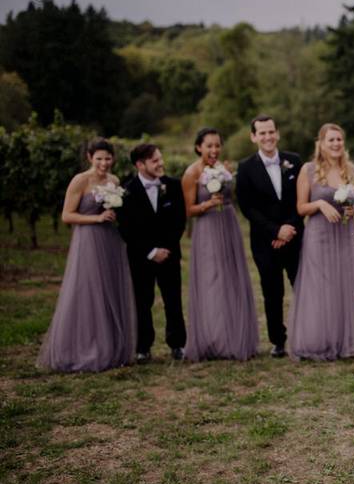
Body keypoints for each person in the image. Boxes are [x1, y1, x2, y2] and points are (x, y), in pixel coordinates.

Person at [37, 138, 135, 372]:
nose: (104, 163)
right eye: (99, 158)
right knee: (89, 290)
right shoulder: (80, 180)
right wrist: (97, 218)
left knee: (109, 290)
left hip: (110, 240)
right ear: (89, 158)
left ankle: (110, 349)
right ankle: (83, 349)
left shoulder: (114, 180)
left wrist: (112, 214)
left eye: (108, 158)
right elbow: (67, 216)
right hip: (88, 240)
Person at [287, 123, 354, 360]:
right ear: (321, 144)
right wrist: (320, 204)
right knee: (320, 287)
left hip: (345, 234)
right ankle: (318, 341)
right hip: (319, 235)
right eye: (331, 140)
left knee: (344, 284)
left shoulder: (352, 170)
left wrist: (353, 209)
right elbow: (300, 207)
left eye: (339, 140)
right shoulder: (309, 170)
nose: (336, 144)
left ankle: (343, 341)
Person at [182, 128, 259, 361]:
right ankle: (212, 339)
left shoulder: (225, 169)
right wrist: (207, 205)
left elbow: (231, 198)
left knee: (230, 279)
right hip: (206, 229)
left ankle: (232, 336)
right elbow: (189, 210)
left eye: (217, 145)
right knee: (211, 281)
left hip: (228, 224)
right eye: (209, 146)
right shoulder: (191, 173)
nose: (214, 150)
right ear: (199, 147)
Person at [236, 115, 303, 358]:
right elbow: (247, 207)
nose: (267, 137)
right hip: (265, 242)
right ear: (253, 137)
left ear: (277, 133)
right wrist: (275, 231)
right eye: (262, 133)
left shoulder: (294, 161)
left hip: (295, 237)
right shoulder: (245, 168)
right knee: (272, 292)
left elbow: (302, 198)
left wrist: (289, 228)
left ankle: (305, 335)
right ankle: (278, 341)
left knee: (302, 287)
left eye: (271, 132)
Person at [117, 143, 187, 364]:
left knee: (173, 300)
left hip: (169, 253)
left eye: (160, 158)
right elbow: (126, 228)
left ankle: (177, 345)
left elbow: (179, 221)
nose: (161, 163)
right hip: (141, 257)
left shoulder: (173, 186)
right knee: (142, 301)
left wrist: (165, 248)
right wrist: (150, 251)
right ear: (140, 164)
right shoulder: (127, 191)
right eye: (155, 160)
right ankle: (143, 347)